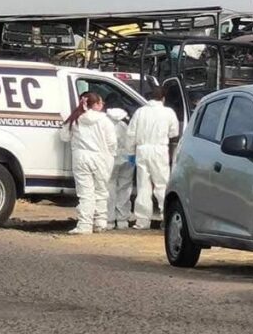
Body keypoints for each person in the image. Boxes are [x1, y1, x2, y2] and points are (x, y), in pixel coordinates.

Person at [60, 91, 117, 234]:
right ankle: (100, 222)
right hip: (101, 158)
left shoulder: (75, 119)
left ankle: (84, 225)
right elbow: (112, 143)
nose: (103, 105)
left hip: (80, 158)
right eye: (101, 102)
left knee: (85, 193)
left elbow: (64, 137)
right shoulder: (105, 120)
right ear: (96, 104)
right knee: (101, 191)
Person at [127, 85, 180, 230]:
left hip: (142, 150)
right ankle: (166, 218)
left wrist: (130, 153)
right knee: (162, 185)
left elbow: (131, 134)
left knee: (143, 186)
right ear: (163, 98)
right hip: (159, 150)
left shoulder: (140, 112)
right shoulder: (168, 112)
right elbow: (174, 132)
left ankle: (142, 221)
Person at [106, 107, 135, 230]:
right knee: (125, 187)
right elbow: (131, 141)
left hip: (110, 158)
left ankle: (109, 220)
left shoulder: (105, 124)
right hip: (126, 158)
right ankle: (123, 220)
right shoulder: (125, 124)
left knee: (109, 187)